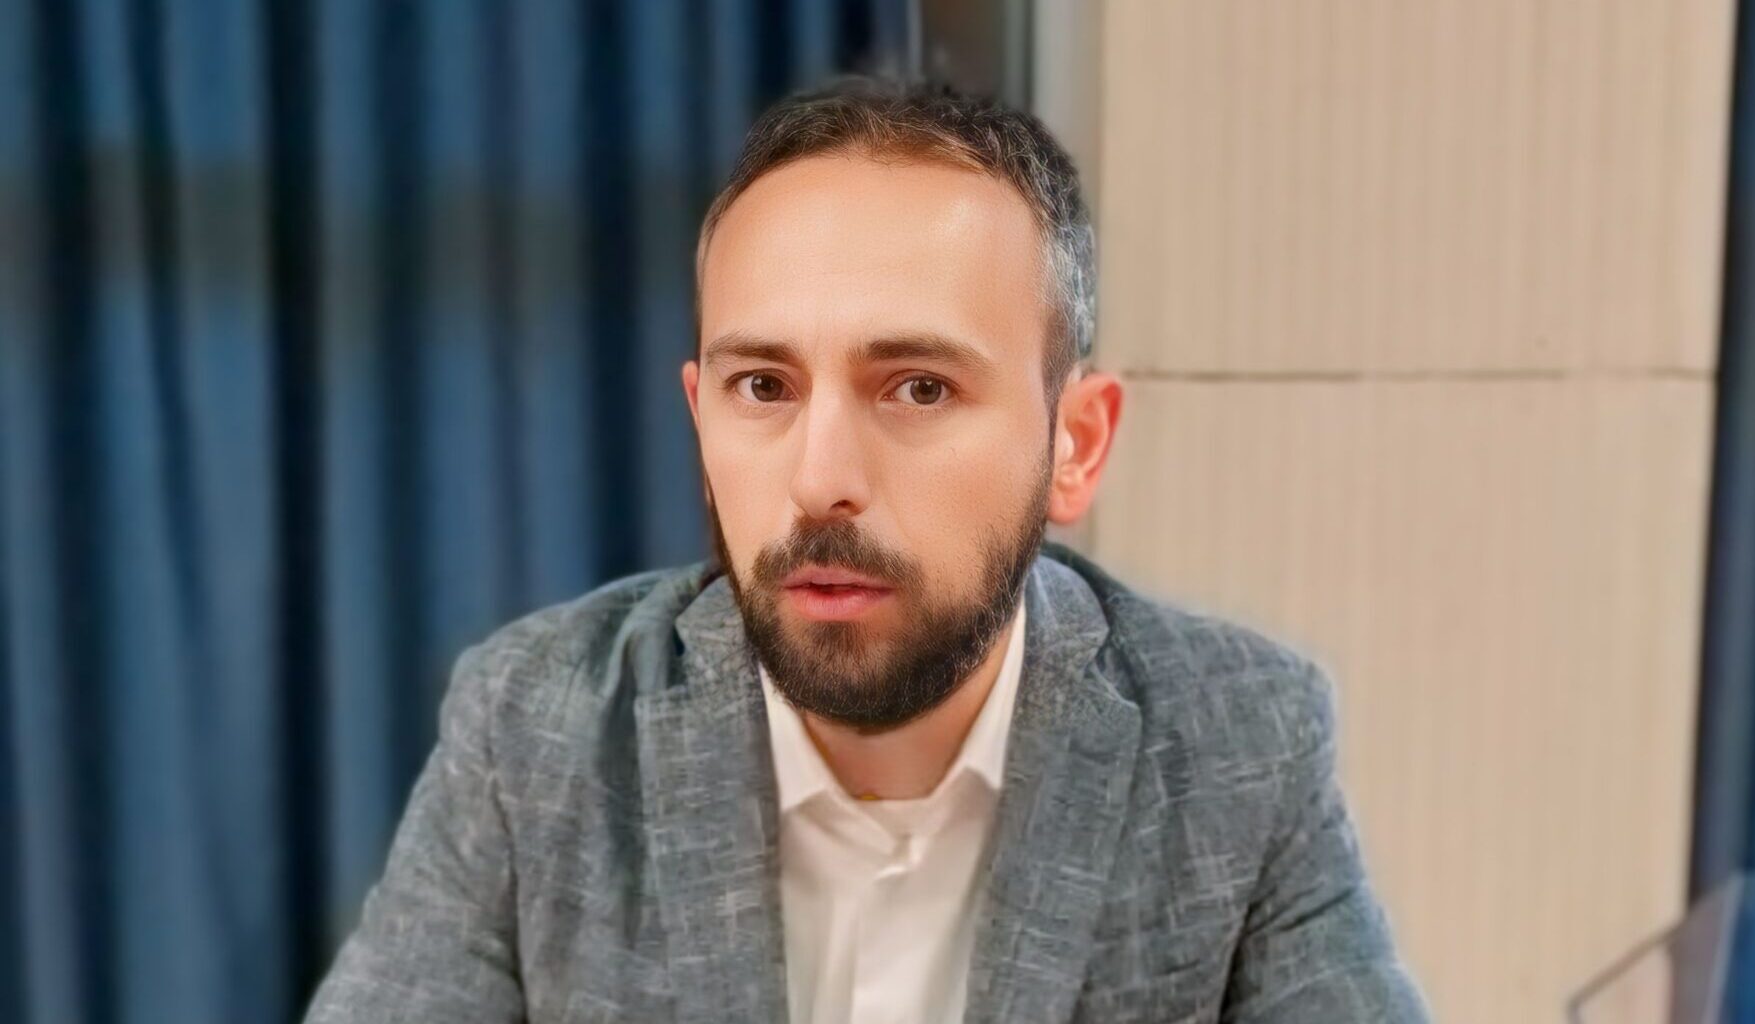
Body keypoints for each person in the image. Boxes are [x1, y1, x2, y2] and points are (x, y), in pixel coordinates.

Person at [303, 75, 1430, 1024]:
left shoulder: (1238, 741)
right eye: (763, 387)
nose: (818, 478)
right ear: (700, 423)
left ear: (1074, 444)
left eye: (918, 387)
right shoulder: (536, 728)